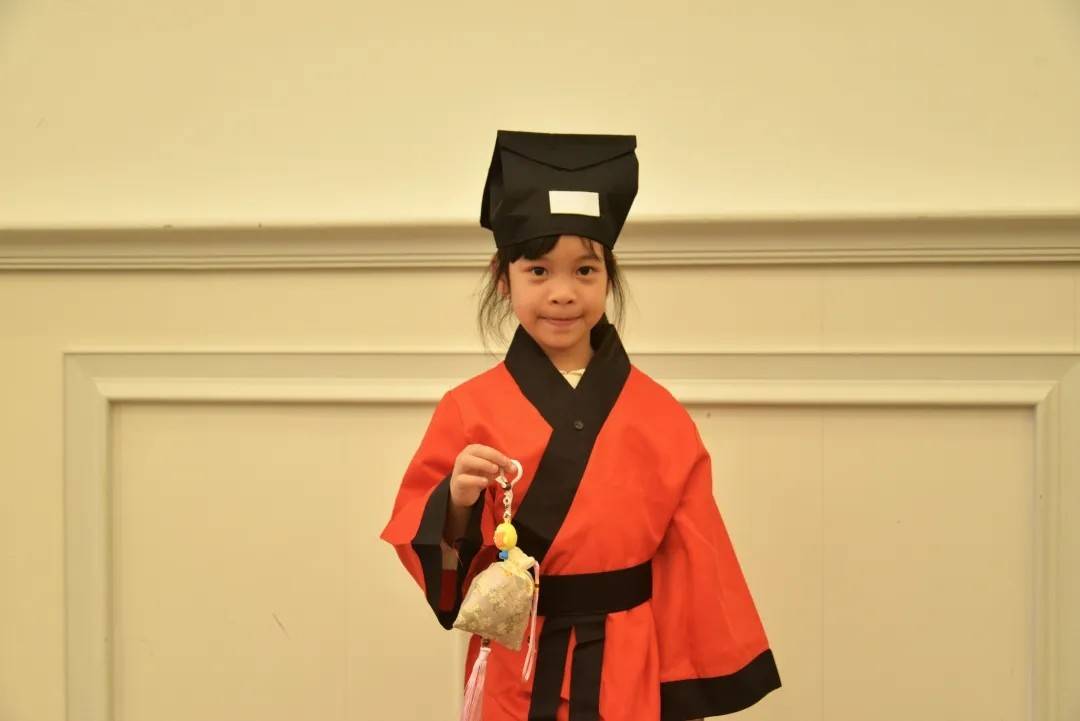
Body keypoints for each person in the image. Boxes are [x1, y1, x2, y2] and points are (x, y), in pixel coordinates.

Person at [379, 130, 781, 721]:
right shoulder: (467, 408)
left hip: (628, 657)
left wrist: (683, 691)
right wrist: (457, 502)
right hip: (518, 657)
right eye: (538, 270)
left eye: (585, 270)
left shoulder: (660, 414)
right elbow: (425, 536)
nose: (563, 293)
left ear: (608, 279)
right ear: (504, 279)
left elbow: (694, 559)